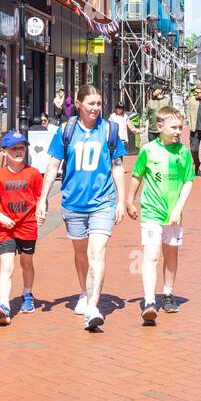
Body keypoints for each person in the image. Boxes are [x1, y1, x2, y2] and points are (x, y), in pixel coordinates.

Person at [38, 85, 126, 331]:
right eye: (91, 103)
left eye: (99, 103)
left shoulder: (109, 130)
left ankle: (93, 307)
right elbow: (54, 165)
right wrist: (43, 198)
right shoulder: (67, 130)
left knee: (96, 253)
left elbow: (117, 166)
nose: (96, 108)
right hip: (74, 202)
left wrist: (121, 199)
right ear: (78, 104)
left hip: (102, 202)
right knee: (80, 254)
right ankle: (84, 292)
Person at [126, 106, 195, 323]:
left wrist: (178, 209)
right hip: (151, 211)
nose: (177, 131)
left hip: (173, 213)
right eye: (173, 127)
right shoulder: (148, 150)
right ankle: (149, 301)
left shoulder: (183, 152)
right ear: (160, 126)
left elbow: (188, 182)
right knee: (151, 254)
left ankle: (167, 292)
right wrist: (130, 199)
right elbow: (137, 175)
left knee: (171, 254)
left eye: (180, 128)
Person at [0, 130, 45, 324]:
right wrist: (1, 217)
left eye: (22, 148)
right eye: (14, 149)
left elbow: (40, 198)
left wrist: (41, 211)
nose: (19, 152)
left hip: (27, 227)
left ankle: (27, 295)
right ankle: (4, 306)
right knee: (7, 266)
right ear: (4, 152)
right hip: (6, 229)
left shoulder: (33, 174)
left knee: (26, 263)